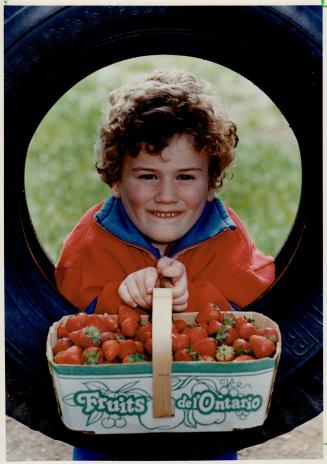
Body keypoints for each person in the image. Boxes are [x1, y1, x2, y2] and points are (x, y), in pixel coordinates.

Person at [55, 69, 275, 460]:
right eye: (148, 175)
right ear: (116, 179)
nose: (167, 196)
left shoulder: (226, 235)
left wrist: (195, 296)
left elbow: (254, 316)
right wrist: (121, 297)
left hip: (207, 419)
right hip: (111, 423)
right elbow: (65, 322)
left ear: (211, 183)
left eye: (186, 176)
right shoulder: (94, 235)